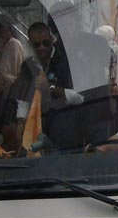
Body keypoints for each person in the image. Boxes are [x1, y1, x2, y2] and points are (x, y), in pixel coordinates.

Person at [8, 22, 82, 152]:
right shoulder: (27, 66)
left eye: (46, 43)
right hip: (37, 130)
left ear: (52, 40)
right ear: (30, 44)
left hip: (65, 131)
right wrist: (20, 122)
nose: (42, 48)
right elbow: (23, 100)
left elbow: (80, 97)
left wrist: (51, 89)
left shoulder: (67, 60)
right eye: (37, 45)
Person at [48, 1, 112, 93]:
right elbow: (49, 82)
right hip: (66, 105)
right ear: (54, 28)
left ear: (76, 21)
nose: (67, 30)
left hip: (98, 101)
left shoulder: (97, 44)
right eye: (61, 26)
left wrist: (115, 85)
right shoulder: (53, 52)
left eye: (69, 24)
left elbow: (115, 70)